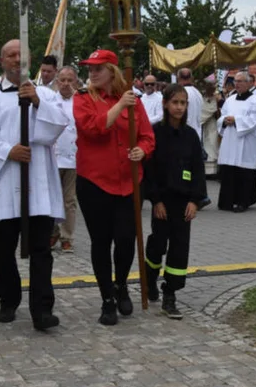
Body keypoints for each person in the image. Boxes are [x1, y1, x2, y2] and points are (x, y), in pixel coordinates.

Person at [0, 39, 67, 331]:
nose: (16, 60)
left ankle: (42, 309)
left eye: (21, 55)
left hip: (37, 182)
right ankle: (8, 300)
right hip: (3, 181)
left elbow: (60, 124)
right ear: (1, 62)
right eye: (10, 55)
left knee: (41, 249)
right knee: (4, 248)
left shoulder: (47, 96)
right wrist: (7, 151)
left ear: (29, 61)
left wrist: (37, 102)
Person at [74, 49, 155, 325]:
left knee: (125, 239)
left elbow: (147, 136)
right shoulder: (82, 99)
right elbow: (94, 129)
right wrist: (120, 105)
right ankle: (106, 298)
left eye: (98, 68)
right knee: (101, 241)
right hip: (94, 182)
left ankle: (121, 285)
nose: (92, 73)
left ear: (112, 71)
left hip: (129, 182)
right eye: (90, 69)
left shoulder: (135, 101)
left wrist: (142, 151)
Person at [143, 84, 207, 319]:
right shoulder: (155, 133)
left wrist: (195, 201)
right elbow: (149, 169)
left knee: (179, 249)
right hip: (162, 201)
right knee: (158, 243)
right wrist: (156, 200)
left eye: (183, 103)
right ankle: (149, 277)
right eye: (175, 103)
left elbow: (197, 169)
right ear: (166, 104)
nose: (179, 107)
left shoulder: (190, 135)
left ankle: (170, 293)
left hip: (183, 202)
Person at [217, 71, 256, 212]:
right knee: (229, 170)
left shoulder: (255, 100)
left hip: (245, 141)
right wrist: (224, 120)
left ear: (249, 83)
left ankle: (243, 201)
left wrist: (236, 120)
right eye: (236, 81)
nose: (237, 84)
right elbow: (222, 115)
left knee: (243, 171)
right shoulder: (230, 99)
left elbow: (255, 120)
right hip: (230, 140)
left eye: (241, 81)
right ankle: (227, 202)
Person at [52, 65, 79, 253]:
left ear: (75, 82)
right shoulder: (49, 101)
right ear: (57, 81)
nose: (66, 84)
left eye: (70, 80)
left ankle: (67, 236)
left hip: (74, 157)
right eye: (63, 80)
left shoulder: (81, 101)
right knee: (52, 199)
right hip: (53, 157)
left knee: (69, 200)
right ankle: (52, 232)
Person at [176, 68, 204, 140]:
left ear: (178, 78)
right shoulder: (198, 93)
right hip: (197, 134)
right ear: (191, 78)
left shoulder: (181, 93)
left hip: (184, 135)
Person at [200, 81, 220, 176]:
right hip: (204, 125)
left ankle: (213, 171)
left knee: (212, 144)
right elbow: (202, 110)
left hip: (212, 124)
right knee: (205, 143)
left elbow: (213, 110)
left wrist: (216, 106)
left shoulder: (216, 98)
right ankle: (206, 170)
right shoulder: (202, 98)